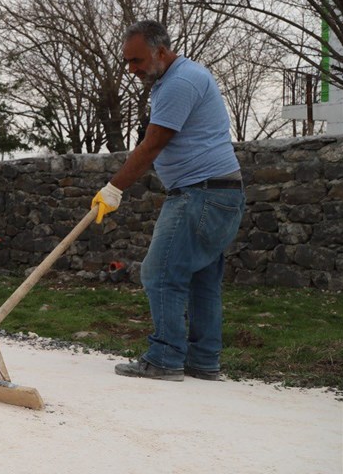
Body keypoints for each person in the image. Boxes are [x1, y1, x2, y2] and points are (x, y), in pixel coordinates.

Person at [92, 20, 245, 382]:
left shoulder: (180, 81)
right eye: (127, 62)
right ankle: (204, 361)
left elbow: (154, 142)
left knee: (159, 272)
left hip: (200, 192)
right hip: (221, 192)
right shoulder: (174, 79)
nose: (132, 70)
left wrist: (114, 188)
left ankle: (164, 358)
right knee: (202, 277)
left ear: (161, 51)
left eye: (137, 60)